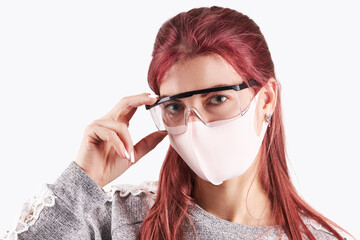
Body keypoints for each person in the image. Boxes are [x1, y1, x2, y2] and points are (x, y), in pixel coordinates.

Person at [1, 6, 354, 240]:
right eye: (175, 107)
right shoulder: (120, 218)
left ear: (266, 99)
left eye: (217, 99)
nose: (196, 124)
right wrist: (82, 181)